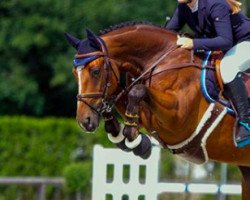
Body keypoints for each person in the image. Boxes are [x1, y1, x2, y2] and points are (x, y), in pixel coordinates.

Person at [165, 0, 250, 148]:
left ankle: (246, 122)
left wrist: (194, 44)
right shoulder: (183, 7)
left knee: (228, 67)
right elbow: (168, 34)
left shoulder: (215, 5)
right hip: (228, 45)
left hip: (245, 42)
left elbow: (225, 40)